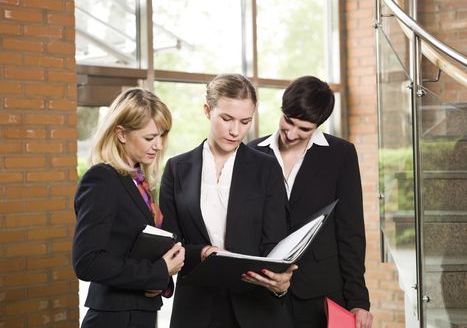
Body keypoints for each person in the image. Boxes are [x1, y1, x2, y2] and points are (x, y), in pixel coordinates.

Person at [159, 74, 297, 328]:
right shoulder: (178, 168)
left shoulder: (266, 168)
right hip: (196, 310)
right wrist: (202, 252)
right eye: (226, 119)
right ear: (207, 110)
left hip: (256, 310)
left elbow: (275, 242)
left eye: (245, 122)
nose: (236, 131)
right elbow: (169, 243)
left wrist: (280, 281)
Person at [248, 75, 373, 328]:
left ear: (318, 125)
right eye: (288, 122)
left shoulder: (340, 154)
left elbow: (351, 232)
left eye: (304, 129)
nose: (291, 134)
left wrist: (358, 300)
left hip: (321, 294)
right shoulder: (251, 153)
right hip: (262, 291)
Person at [72, 88, 185, 328]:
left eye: (162, 136)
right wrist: (159, 270)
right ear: (121, 134)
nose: (158, 145)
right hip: (114, 317)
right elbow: (87, 261)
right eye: (149, 138)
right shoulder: (101, 179)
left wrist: (162, 275)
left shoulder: (139, 181)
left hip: (138, 313)